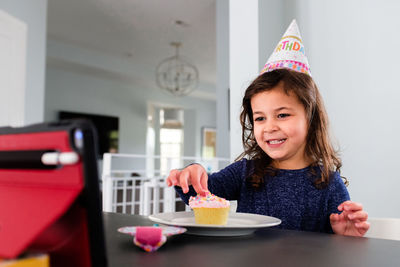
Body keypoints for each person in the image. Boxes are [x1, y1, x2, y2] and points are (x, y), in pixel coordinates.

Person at [166, 20, 369, 236]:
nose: (269, 127)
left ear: (310, 119)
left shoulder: (329, 183)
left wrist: (345, 236)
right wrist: (190, 175)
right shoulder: (245, 172)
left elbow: (337, 245)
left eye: (282, 115)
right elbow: (199, 195)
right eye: (260, 118)